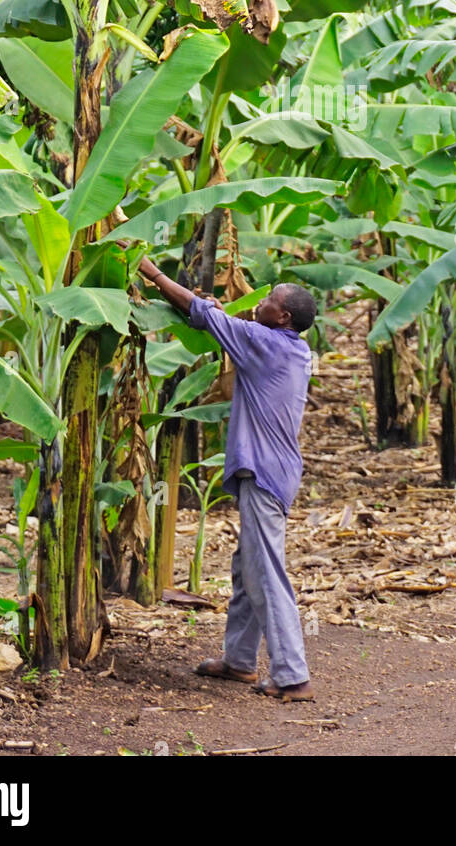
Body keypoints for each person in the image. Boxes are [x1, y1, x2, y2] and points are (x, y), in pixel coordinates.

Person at [136, 252, 317, 703]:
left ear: (284, 316)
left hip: (265, 474)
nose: (261, 302)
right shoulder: (288, 345)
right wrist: (218, 311)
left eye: (270, 300)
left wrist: (149, 270)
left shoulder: (265, 344)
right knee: (246, 567)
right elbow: (221, 319)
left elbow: (199, 315)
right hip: (275, 470)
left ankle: (292, 675)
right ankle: (238, 660)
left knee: (266, 572)